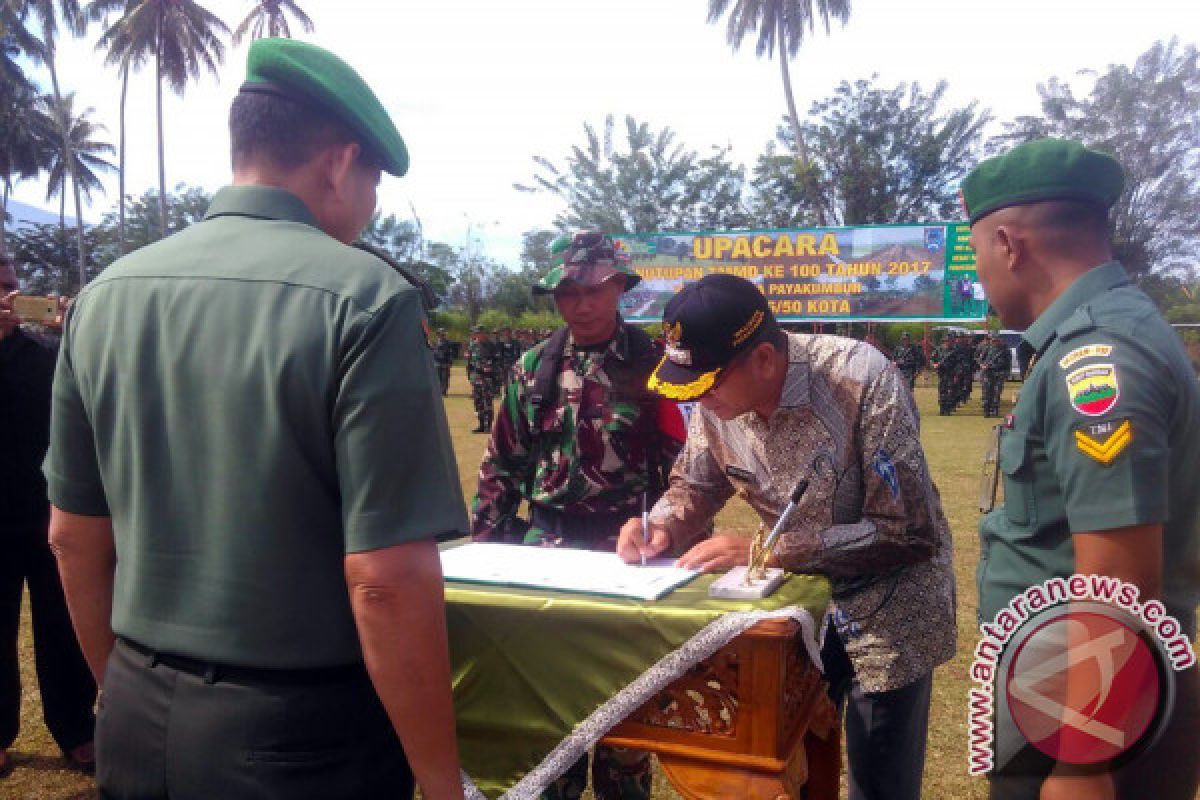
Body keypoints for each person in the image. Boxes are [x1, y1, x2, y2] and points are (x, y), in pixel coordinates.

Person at [44, 39, 468, 800]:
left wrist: (123, 688)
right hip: (301, 737)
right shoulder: (367, 299)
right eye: (373, 178)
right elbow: (386, 579)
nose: (370, 203)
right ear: (340, 163)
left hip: (139, 714)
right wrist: (440, 780)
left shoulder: (106, 295)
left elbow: (73, 537)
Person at [618, 273, 956, 800]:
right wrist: (659, 524)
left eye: (709, 382)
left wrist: (769, 551)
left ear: (765, 361)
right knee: (791, 770)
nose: (701, 399)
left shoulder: (858, 378)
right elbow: (695, 483)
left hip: (891, 613)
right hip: (799, 614)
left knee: (881, 781)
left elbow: (908, 530)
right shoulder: (719, 402)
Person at [967, 138, 1200, 800]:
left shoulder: (1098, 356)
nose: (982, 280)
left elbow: (1119, 575)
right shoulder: (1094, 336)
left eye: (981, 254)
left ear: (1010, 245)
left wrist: (1081, 761)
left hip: (1086, 712)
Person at [471, 231, 685, 800]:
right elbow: (501, 471)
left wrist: (674, 546)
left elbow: (685, 477)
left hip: (627, 567)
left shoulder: (655, 369)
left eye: (592, 290)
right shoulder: (532, 369)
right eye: (567, 292)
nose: (580, 304)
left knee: (625, 731)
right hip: (547, 565)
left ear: (618, 288)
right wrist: (485, 567)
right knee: (550, 727)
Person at [0, 260, 96, 778]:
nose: (7, 297)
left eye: (12, 287)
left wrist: (72, 329)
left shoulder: (47, 356)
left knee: (63, 628)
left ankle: (78, 730)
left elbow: (94, 389)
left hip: (46, 516)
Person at [466, 326, 501, 432]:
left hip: (487, 379)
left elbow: (498, 361)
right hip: (476, 378)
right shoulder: (473, 346)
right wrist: (471, 377)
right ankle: (481, 425)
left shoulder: (491, 346)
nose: (477, 335)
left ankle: (488, 426)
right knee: (478, 402)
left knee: (487, 402)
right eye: (476, 333)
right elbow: (470, 362)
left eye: (479, 333)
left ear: (483, 333)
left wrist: (491, 368)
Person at [977, 334, 1011, 418]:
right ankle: (986, 410)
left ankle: (995, 409)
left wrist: (1006, 374)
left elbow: (1008, 364)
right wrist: (982, 365)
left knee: (997, 392)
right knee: (987, 392)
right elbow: (980, 359)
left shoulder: (1005, 350)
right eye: (994, 340)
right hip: (988, 373)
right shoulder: (987, 349)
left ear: (1000, 340)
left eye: (997, 340)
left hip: (999, 373)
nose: (995, 342)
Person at [930, 334, 960, 415]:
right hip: (942, 373)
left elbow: (958, 364)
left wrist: (956, 375)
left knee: (950, 392)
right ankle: (942, 409)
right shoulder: (939, 349)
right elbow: (932, 359)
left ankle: (948, 409)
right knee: (942, 391)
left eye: (950, 341)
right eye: (946, 341)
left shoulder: (955, 350)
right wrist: (934, 364)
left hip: (951, 373)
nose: (948, 342)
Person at [433, 328, 455, 396]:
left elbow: (451, 353)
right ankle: (439, 391)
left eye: (442, 334)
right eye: (439, 334)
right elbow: (433, 352)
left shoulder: (448, 343)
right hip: (437, 363)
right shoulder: (436, 342)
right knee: (438, 378)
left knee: (445, 378)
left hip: (445, 363)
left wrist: (450, 362)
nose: (440, 335)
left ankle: (444, 391)